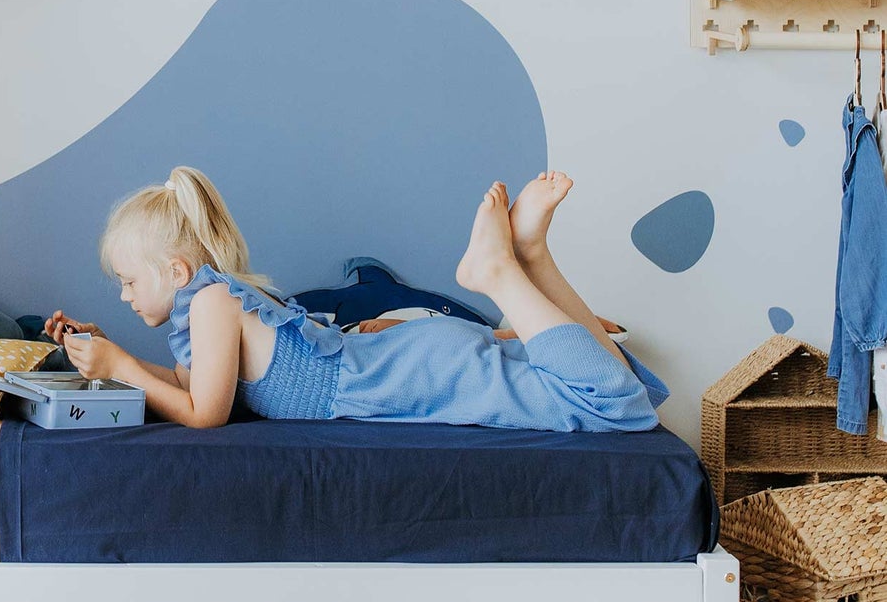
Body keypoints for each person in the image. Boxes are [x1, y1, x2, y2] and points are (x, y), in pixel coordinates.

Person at [43, 166, 668, 433]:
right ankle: (531, 261)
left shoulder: (210, 303)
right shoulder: (209, 306)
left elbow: (204, 414)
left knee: (620, 410)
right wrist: (108, 355)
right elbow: (188, 386)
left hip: (413, 368)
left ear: (175, 270)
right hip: (411, 356)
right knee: (616, 390)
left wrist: (121, 370)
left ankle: (504, 272)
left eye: (127, 280)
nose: (123, 294)